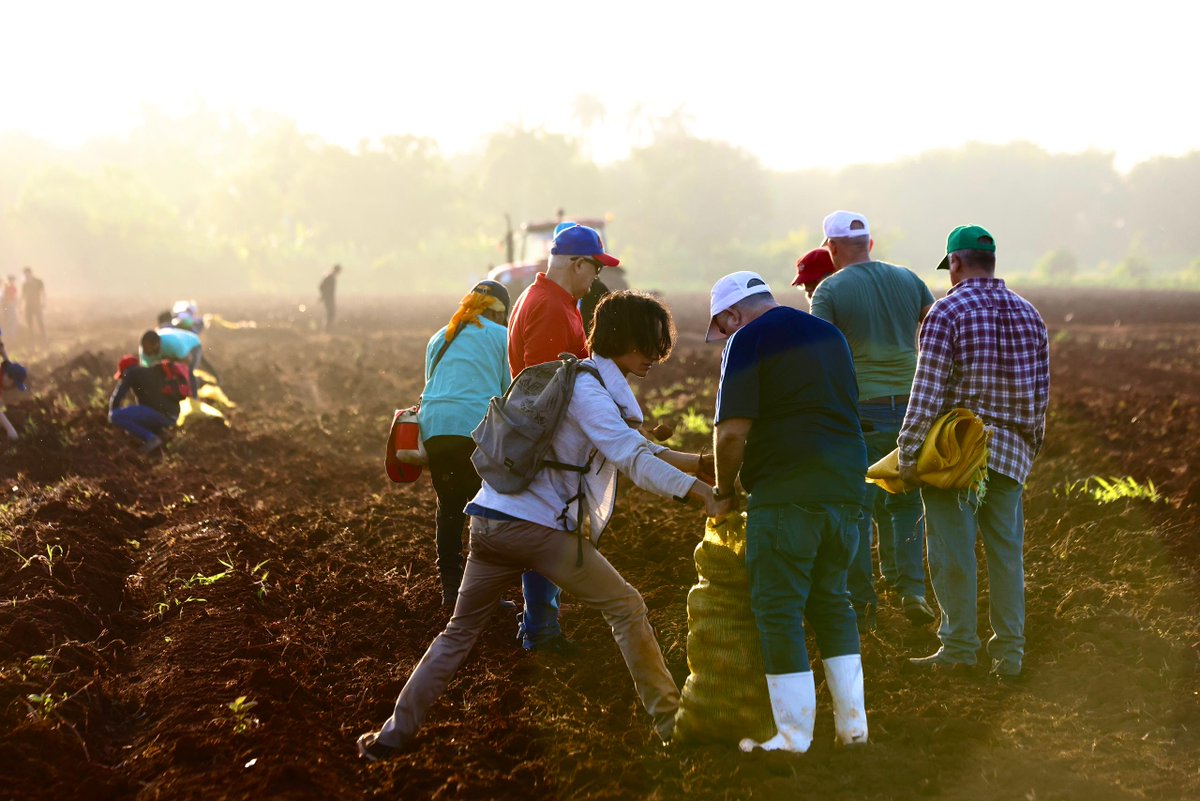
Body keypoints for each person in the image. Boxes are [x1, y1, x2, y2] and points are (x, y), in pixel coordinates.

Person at [357, 291, 718, 761]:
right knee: (627, 607)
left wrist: (698, 465)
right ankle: (672, 723)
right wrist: (702, 496)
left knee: (458, 632)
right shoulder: (590, 391)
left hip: (488, 522)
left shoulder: (575, 381)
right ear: (624, 338)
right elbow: (629, 456)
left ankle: (392, 735)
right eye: (650, 345)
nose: (655, 357)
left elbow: (629, 443)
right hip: (536, 531)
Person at [707, 271, 869, 752]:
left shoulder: (748, 340)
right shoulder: (830, 334)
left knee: (778, 609)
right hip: (845, 487)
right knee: (832, 603)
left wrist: (722, 489)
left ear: (733, 314)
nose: (725, 336)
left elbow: (732, 433)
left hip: (787, 490)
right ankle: (853, 730)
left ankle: (794, 737)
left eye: (723, 325)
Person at [899, 225, 1049, 681]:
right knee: (1006, 554)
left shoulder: (947, 311)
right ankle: (1010, 655)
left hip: (955, 454)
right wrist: (1027, 448)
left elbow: (927, 390)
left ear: (956, 264)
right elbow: (1041, 396)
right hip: (1011, 452)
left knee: (952, 552)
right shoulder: (1030, 314)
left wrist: (908, 452)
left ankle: (959, 647)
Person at [810, 211, 936, 630]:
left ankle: (863, 605)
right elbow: (935, 328)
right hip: (914, 407)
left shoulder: (829, 289)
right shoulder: (908, 279)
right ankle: (913, 591)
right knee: (905, 503)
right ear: (870, 243)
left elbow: (820, 355)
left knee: (857, 509)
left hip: (861, 410)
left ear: (831, 247)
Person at [505, 222, 615, 654]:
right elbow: (548, 393)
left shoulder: (550, 299)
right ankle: (540, 631)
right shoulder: (551, 307)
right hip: (548, 443)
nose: (597, 278)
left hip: (543, 441)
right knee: (549, 532)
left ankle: (537, 623)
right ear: (576, 263)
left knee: (548, 531)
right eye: (595, 268)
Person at [418, 280, 513, 606]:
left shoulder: (440, 336)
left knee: (449, 508)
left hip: (437, 430)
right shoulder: (502, 336)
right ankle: (482, 595)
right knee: (485, 512)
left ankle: (450, 590)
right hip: (475, 429)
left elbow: (432, 383)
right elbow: (507, 392)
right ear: (501, 312)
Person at [109, 355, 186, 454]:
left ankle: (152, 439)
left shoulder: (131, 372)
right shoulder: (151, 371)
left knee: (116, 415)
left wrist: (112, 414)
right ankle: (162, 437)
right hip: (173, 416)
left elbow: (117, 396)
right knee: (142, 415)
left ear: (125, 370)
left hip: (159, 414)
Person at [140, 328, 202, 397]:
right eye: (144, 348)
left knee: (188, 372)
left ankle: (194, 397)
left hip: (192, 345)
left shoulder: (173, 344)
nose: (147, 352)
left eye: (149, 349)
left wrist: (176, 372)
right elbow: (147, 371)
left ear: (157, 344)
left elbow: (187, 361)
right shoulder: (145, 353)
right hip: (172, 352)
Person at [0, 359, 27, 441]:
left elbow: (9, 367)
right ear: (9, 379)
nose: (13, 387)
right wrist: (10, 429)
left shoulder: (4, 373)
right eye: (14, 384)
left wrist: (3, 352)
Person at [21, 267, 46, 346]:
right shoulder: (24, 284)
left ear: (31, 273)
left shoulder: (38, 282)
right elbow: (23, 296)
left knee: (40, 322)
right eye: (25, 274)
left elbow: (43, 293)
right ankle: (32, 342)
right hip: (28, 306)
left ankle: (44, 339)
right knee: (30, 324)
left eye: (27, 273)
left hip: (37, 305)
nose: (27, 275)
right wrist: (20, 306)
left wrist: (44, 302)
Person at [319, 264, 342, 331]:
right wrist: (325, 295)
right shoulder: (330, 277)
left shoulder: (330, 276)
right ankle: (327, 329)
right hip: (328, 298)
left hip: (329, 298)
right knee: (331, 313)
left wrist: (324, 295)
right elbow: (321, 286)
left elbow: (322, 287)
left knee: (330, 313)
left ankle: (328, 328)